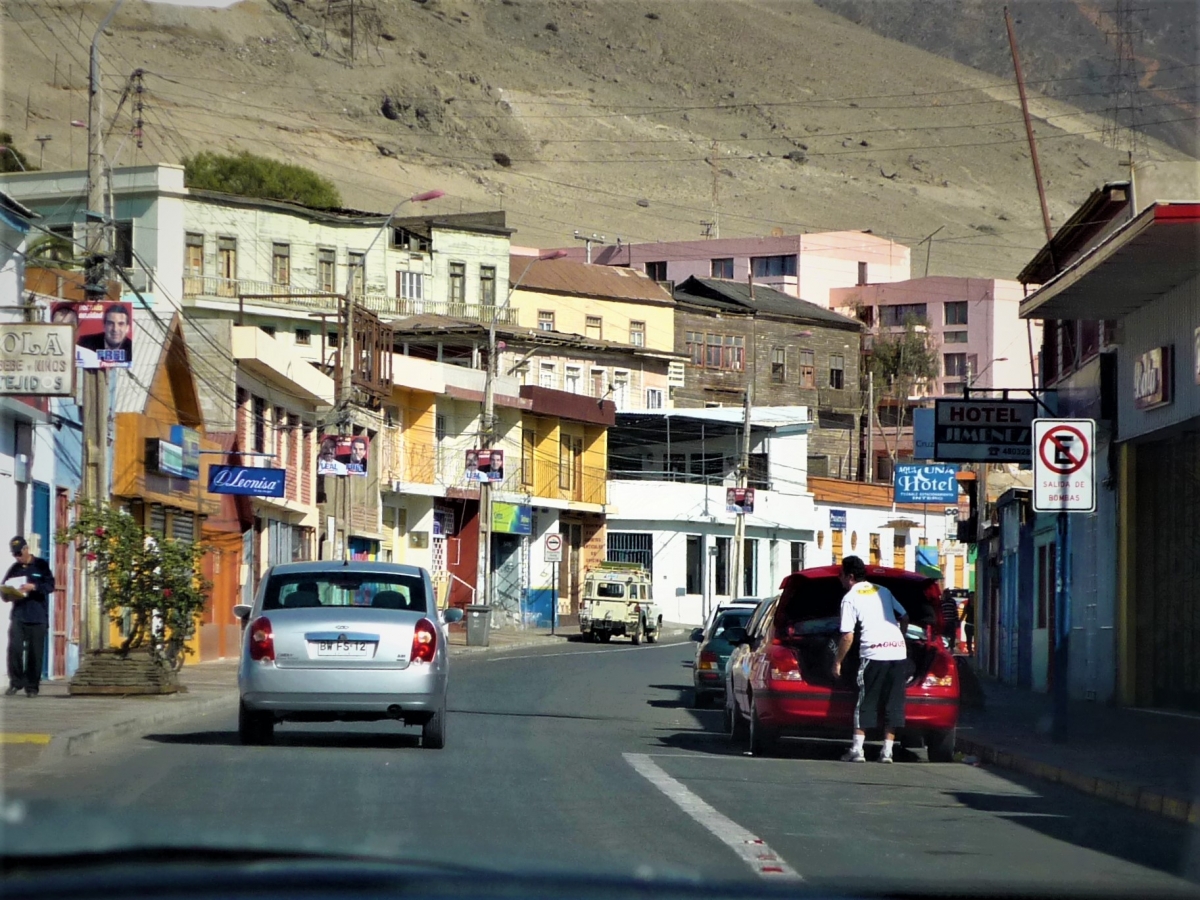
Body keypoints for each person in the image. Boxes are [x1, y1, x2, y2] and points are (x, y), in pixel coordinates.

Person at [832, 555, 910, 764]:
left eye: (840, 575)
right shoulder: (882, 590)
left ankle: (858, 750)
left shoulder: (850, 598)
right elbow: (904, 616)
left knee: (866, 700)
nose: (839, 579)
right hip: (898, 652)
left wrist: (838, 661)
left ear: (849, 576)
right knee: (893, 701)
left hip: (873, 653)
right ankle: (887, 752)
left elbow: (848, 635)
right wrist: (898, 637)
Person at [3, 536, 54, 698]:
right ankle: (16, 682)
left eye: (19, 553)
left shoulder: (41, 565)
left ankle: (32, 687)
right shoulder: (14, 569)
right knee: (14, 650)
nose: (17, 557)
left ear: (26, 549)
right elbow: (4, 589)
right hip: (19, 615)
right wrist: (8, 594)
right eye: (15, 554)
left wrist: (34, 587)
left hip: (37, 616)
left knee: (35, 653)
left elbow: (50, 585)